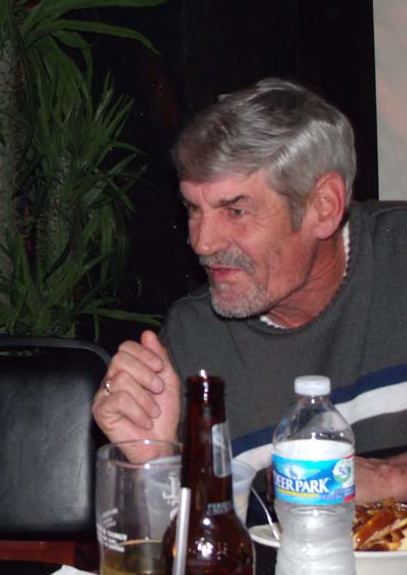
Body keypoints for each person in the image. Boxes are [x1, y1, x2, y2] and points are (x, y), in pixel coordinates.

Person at [93, 77, 407, 504]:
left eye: (236, 210)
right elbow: (194, 533)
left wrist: (391, 479)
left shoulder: (397, 256)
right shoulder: (194, 340)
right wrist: (156, 462)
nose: (202, 243)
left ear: (324, 206)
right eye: (193, 209)